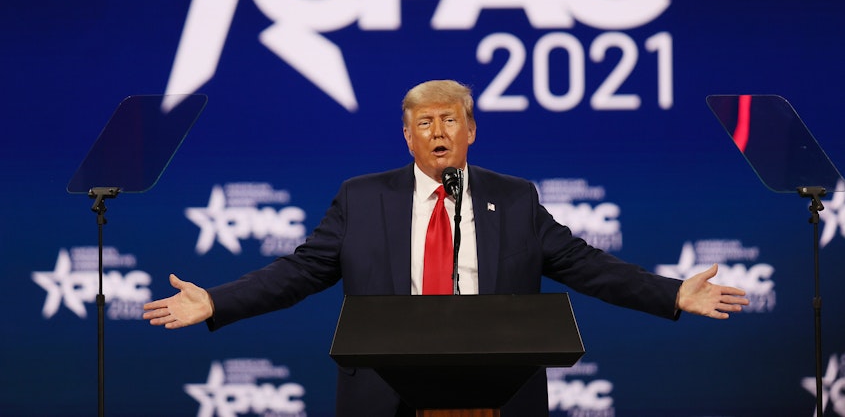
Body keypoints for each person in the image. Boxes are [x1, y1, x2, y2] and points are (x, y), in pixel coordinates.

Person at [143, 79, 748, 417]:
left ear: (472, 129)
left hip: (496, 389)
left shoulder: (513, 198)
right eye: (425, 123)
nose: (438, 132)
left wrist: (671, 293)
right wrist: (217, 303)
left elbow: (585, 265)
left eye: (450, 120)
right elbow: (301, 272)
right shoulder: (362, 197)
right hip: (386, 389)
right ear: (407, 136)